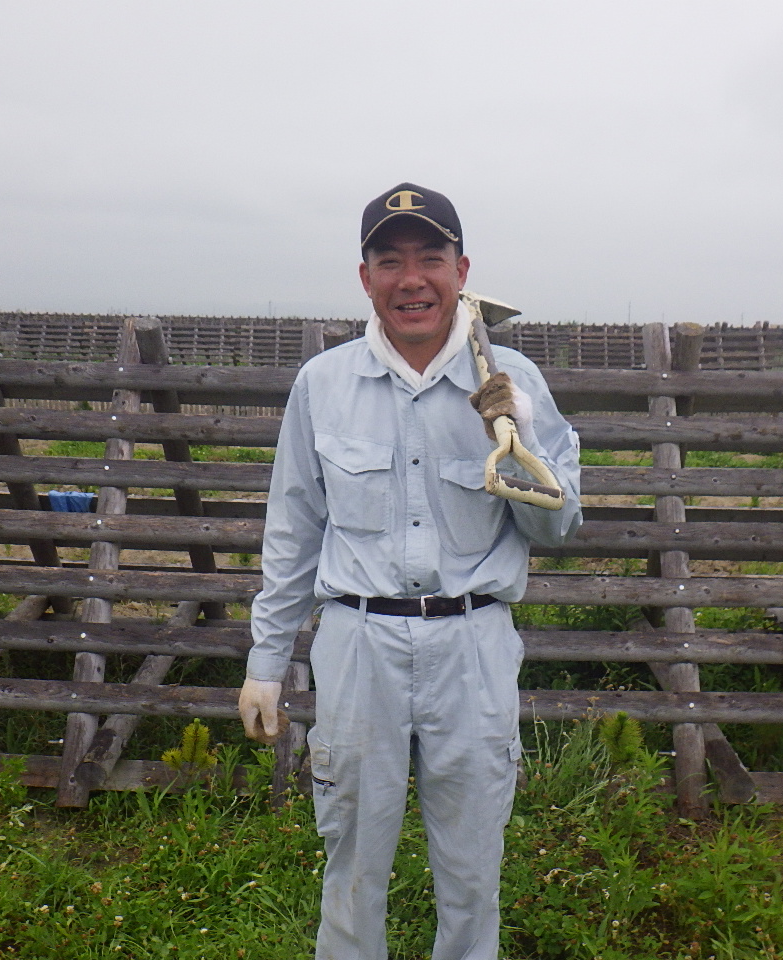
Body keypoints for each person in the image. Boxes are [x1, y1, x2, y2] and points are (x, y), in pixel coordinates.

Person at [238, 182, 582, 960]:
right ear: (365, 279)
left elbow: (558, 524)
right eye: (390, 261)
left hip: (473, 644)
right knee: (353, 860)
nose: (411, 278)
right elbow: (292, 531)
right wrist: (266, 660)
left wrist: (519, 434)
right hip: (358, 647)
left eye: (431, 257)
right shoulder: (322, 385)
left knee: (472, 865)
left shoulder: (512, 381)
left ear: (462, 270)